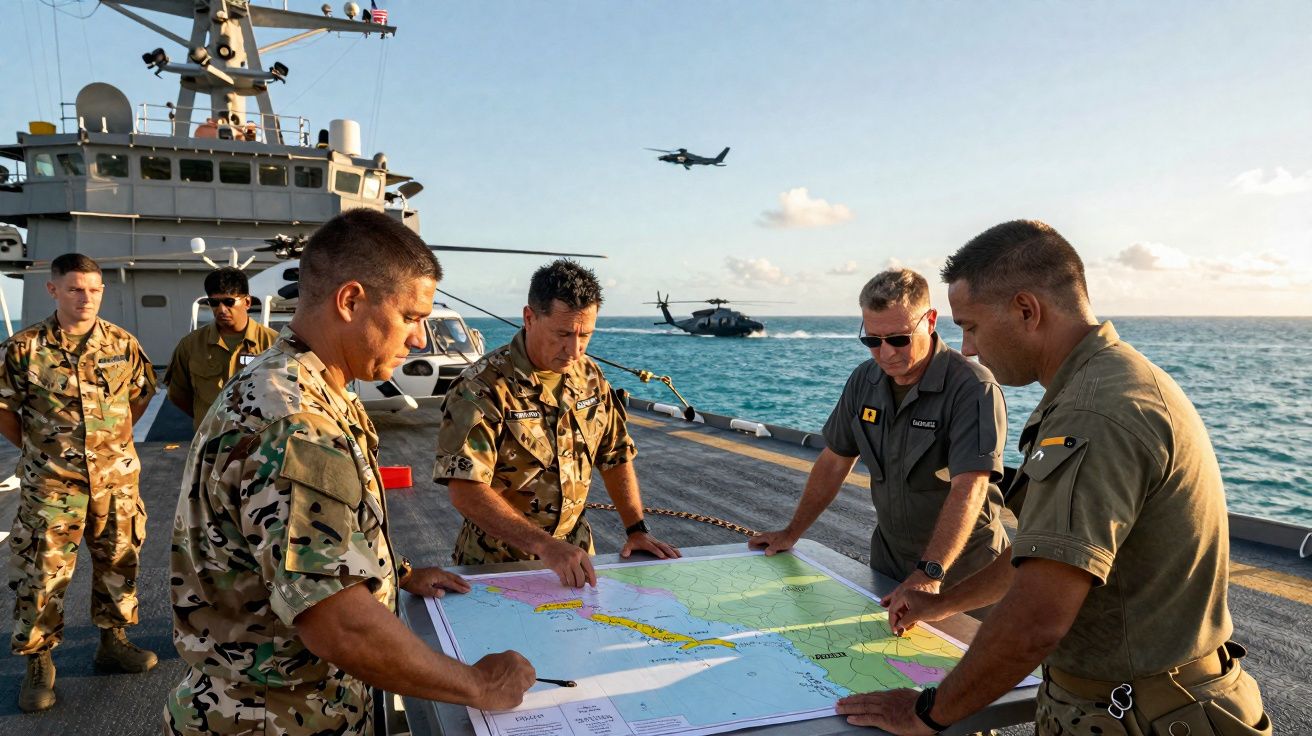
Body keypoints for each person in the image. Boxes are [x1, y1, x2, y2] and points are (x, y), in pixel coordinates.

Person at [837, 220, 1270, 736]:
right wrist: (944, 601)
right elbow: (1044, 557)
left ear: (1027, 310)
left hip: (1143, 715)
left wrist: (925, 712)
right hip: (1132, 704)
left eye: (971, 326)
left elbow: (1037, 617)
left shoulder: (1095, 413)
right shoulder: (1106, 381)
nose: (969, 348)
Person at [166, 209, 534, 735]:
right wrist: (479, 686)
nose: (418, 340)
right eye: (411, 316)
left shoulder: (307, 383)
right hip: (276, 719)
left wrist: (394, 570)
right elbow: (335, 621)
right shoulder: (295, 421)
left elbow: (301, 539)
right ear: (351, 300)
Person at [750, 268, 1007, 619]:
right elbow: (835, 460)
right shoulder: (864, 381)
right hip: (889, 566)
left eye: (898, 339)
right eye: (872, 340)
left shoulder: (972, 387)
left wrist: (929, 573)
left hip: (965, 576)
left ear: (930, 321)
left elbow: (970, 488)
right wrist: (791, 532)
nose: (885, 353)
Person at [434, 259, 681, 588]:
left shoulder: (590, 375)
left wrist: (636, 529)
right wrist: (544, 546)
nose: (575, 349)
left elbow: (615, 454)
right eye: (562, 334)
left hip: (576, 562)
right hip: (496, 567)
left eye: (585, 335)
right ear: (529, 318)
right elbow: (464, 489)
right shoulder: (481, 387)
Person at [0, 253, 157, 713]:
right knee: (43, 573)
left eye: (93, 289)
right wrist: (42, 451)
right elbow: (6, 410)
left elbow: (138, 400)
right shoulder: (24, 348)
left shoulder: (122, 344)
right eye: (74, 288)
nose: (85, 297)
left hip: (116, 482)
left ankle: (113, 641)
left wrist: (113, 449)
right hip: (52, 485)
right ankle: (39, 660)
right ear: (53, 290)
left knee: (119, 562)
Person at [164, 267, 277, 429]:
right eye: (214, 303)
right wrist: (208, 418)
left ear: (247, 302)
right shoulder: (191, 345)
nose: (221, 309)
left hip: (257, 446)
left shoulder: (273, 343)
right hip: (210, 444)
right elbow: (178, 395)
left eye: (229, 302)